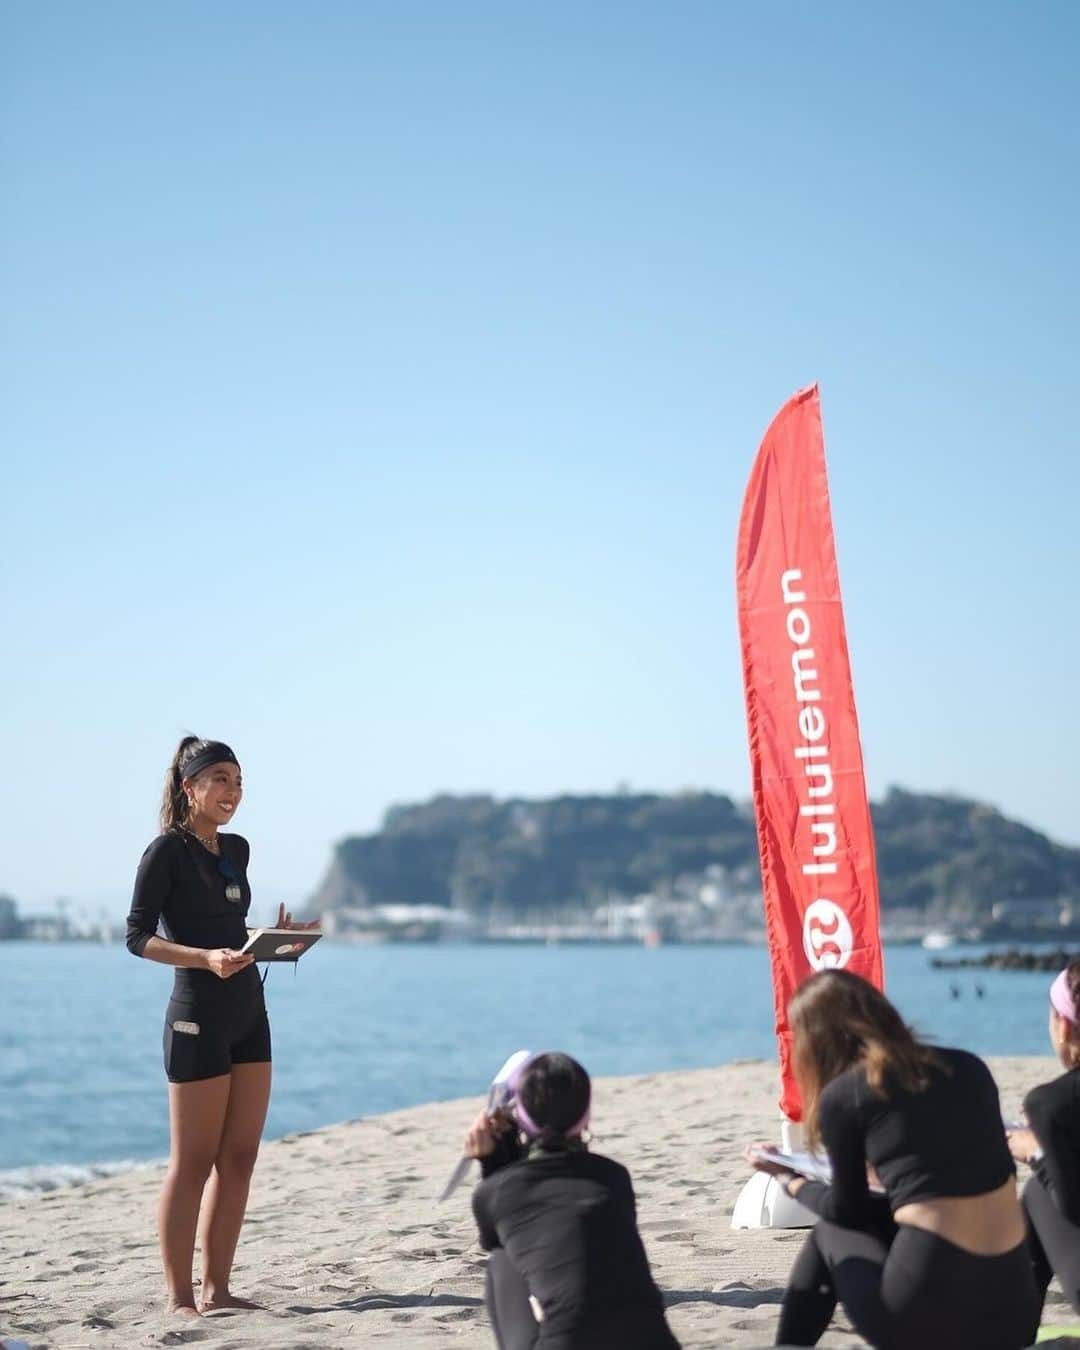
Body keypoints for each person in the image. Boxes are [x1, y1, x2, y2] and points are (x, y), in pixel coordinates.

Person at [125, 736, 318, 1317]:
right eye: (221, 780)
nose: (232, 792)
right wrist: (204, 957)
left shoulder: (236, 848)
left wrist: (271, 939)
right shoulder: (165, 852)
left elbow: (226, 923)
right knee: (192, 1162)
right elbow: (138, 937)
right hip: (196, 1019)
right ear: (190, 787)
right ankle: (180, 1298)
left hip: (248, 1016)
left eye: (238, 782)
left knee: (240, 1158)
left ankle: (219, 1288)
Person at [747, 970, 1040, 1350]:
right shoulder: (970, 1068)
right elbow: (973, 1174)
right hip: (1015, 1317)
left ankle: (789, 1347)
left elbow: (845, 1211)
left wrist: (789, 1179)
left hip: (924, 1324)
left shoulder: (846, 1094)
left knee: (830, 1232)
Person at [464, 1051, 680, 1350]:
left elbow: (503, 1235)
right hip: (655, 1344)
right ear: (586, 1115)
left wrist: (493, 1163)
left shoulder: (495, 1192)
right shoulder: (615, 1178)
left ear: (518, 1113)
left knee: (501, 1259)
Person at [1006, 959, 1080, 1315]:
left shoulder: (1050, 1102)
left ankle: (1011, 1330)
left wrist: (1037, 1152)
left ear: (1064, 1026)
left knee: (1040, 1192)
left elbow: (1072, 1207)